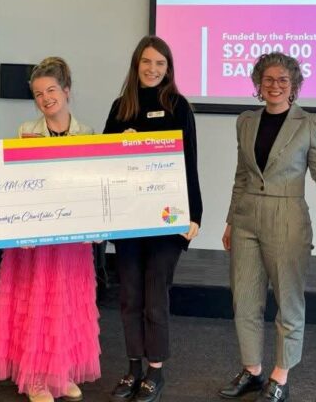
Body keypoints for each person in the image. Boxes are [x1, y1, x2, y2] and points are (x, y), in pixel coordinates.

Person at [218, 53, 316, 402]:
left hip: (287, 220)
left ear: (294, 86)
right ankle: (253, 370)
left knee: (288, 301)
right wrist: (230, 220)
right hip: (245, 220)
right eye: (268, 79)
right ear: (258, 84)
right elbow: (241, 176)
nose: (274, 86)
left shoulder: (308, 123)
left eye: (282, 80)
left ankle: (280, 375)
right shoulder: (245, 121)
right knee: (244, 299)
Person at [0, 57, 100, 402]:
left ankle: (60, 373)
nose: (46, 98)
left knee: (66, 303)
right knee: (36, 303)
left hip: (71, 240)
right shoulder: (25, 132)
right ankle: (35, 379)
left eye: (51, 90)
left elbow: (92, 188)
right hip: (33, 240)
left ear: (66, 91)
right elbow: (16, 184)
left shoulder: (89, 133)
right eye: (38, 93)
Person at [104, 36, 203, 402]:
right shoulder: (119, 107)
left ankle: (154, 371)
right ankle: (132, 368)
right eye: (146, 62)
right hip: (129, 219)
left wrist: (195, 215)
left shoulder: (178, 106)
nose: (152, 69)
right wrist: (120, 144)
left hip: (166, 220)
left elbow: (190, 160)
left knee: (154, 296)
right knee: (129, 296)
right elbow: (103, 163)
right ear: (136, 64)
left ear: (168, 68)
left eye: (160, 63)